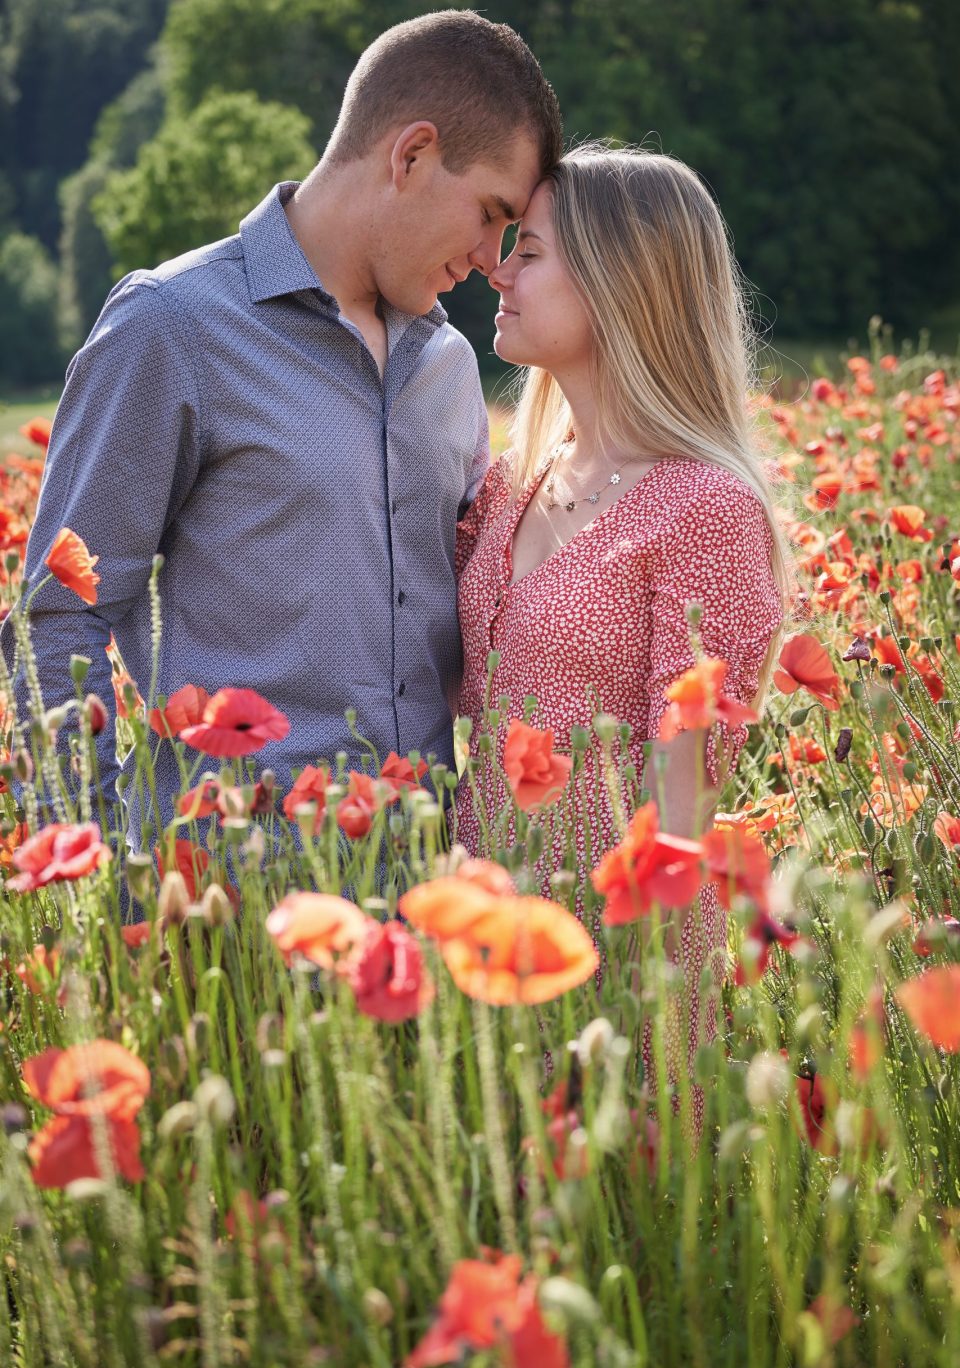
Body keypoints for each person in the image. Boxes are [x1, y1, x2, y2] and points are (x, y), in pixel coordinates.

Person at [1, 10, 561, 854]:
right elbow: (60, 617)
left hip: (422, 911)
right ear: (409, 155)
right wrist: (92, 884)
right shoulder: (173, 327)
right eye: (489, 212)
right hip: (229, 910)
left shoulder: (448, 366)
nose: (493, 255)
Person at [454, 144, 793, 1111]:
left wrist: (650, 1043)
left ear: (618, 285)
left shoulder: (704, 512)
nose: (499, 269)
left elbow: (681, 808)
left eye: (532, 251)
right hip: (482, 949)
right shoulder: (515, 480)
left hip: (610, 971)